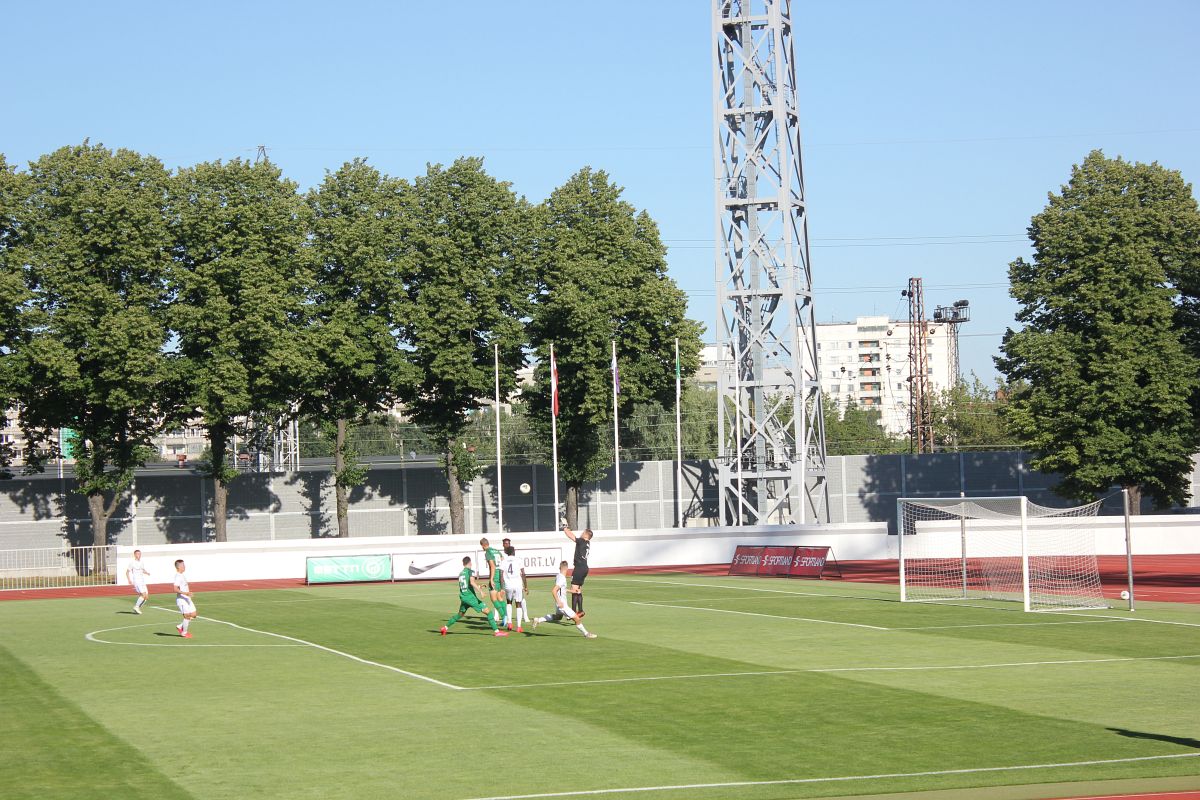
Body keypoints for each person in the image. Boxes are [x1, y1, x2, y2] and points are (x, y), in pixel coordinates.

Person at [441, 557, 507, 637]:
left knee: (460, 614)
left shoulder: (461, 573)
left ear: (463, 563)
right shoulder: (470, 572)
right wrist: (481, 591)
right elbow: (472, 582)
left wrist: (479, 586)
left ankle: (445, 628)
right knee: (488, 612)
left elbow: (466, 586)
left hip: (464, 597)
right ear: (470, 563)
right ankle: (497, 632)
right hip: (470, 598)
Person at [532, 561, 595, 638]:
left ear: (560, 567)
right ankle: (586, 634)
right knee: (577, 619)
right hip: (562, 604)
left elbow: (562, 589)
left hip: (559, 604)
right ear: (567, 568)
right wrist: (559, 602)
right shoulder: (562, 578)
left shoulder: (558, 576)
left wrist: (572, 591)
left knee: (558, 617)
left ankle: (538, 620)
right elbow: (554, 590)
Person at [563, 524, 593, 617]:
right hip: (584, 568)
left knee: (574, 589)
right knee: (578, 590)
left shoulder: (582, 541)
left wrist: (565, 528)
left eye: (583, 532)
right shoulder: (587, 543)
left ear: (586, 535)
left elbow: (571, 536)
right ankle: (580, 610)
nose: (581, 533)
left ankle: (572, 613)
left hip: (579, 567)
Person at [500, 545, 528, 632]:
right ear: (513, 552)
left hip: (508, 585)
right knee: (518, 604)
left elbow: (501, 575)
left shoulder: (503, 561)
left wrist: (502, 588)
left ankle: (509, 623)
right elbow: (523, 574)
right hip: (518, 585)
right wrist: (526, 586)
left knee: (509, 602)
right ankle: (519, 627)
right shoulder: (518, 560)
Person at [479, 537, 505, 624]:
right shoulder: (496, 551)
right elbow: (502, 559)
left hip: (495, 576)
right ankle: (506, 617)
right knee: (499, 597)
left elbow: (492, 566)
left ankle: (504, 617)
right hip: (501, 574)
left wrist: (491, 579)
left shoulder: (488, 552)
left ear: (483, 545)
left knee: (493, 598)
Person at [173, 559, 197, 638]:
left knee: (193, 614)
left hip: (187, 598)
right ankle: (184, 633)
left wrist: (188, 593)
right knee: (187, 616)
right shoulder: (178, 576)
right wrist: (186, 593)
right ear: (178, 567)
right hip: (182, 600)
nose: (184, 566)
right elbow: (175, 589)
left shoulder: (182, 575)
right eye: (183, 565)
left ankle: (180, 626)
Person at [127, 549, 150, 614]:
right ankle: (136, 607)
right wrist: (129, 580)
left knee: (146, 597)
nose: (139, 555)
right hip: (137, 581)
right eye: (137, 554)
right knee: (143, 595)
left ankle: (137, 608)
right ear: (134, 555)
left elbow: (142, 570)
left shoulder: (141, 562)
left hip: (142, 581)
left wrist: (147, 573)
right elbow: (127, 572)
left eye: (140, 554)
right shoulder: (132, 563)